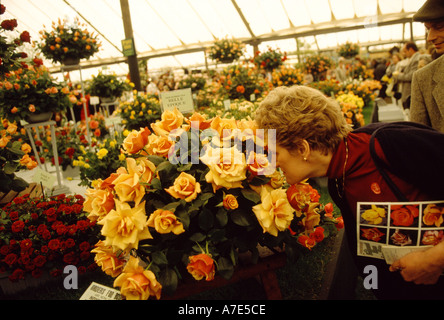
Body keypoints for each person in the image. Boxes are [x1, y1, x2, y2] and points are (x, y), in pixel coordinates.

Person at [254, 84, 444, 300]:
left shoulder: (392, 144)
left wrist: (436, 259)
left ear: (302, 148)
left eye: (275, 153)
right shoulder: (338, 177)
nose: (271, 162)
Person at [410, 0, 444, 132]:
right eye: (428, 29)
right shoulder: (423, 78)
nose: (430, 37)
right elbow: (418, 143)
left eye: (439, 27)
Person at [392, 41, 420, 116]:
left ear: (410, 49)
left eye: (405, 51)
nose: (404, 54)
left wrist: (398, 75)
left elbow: (411, 76)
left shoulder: (416, 59)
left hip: (410, 93)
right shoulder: (413, 59)